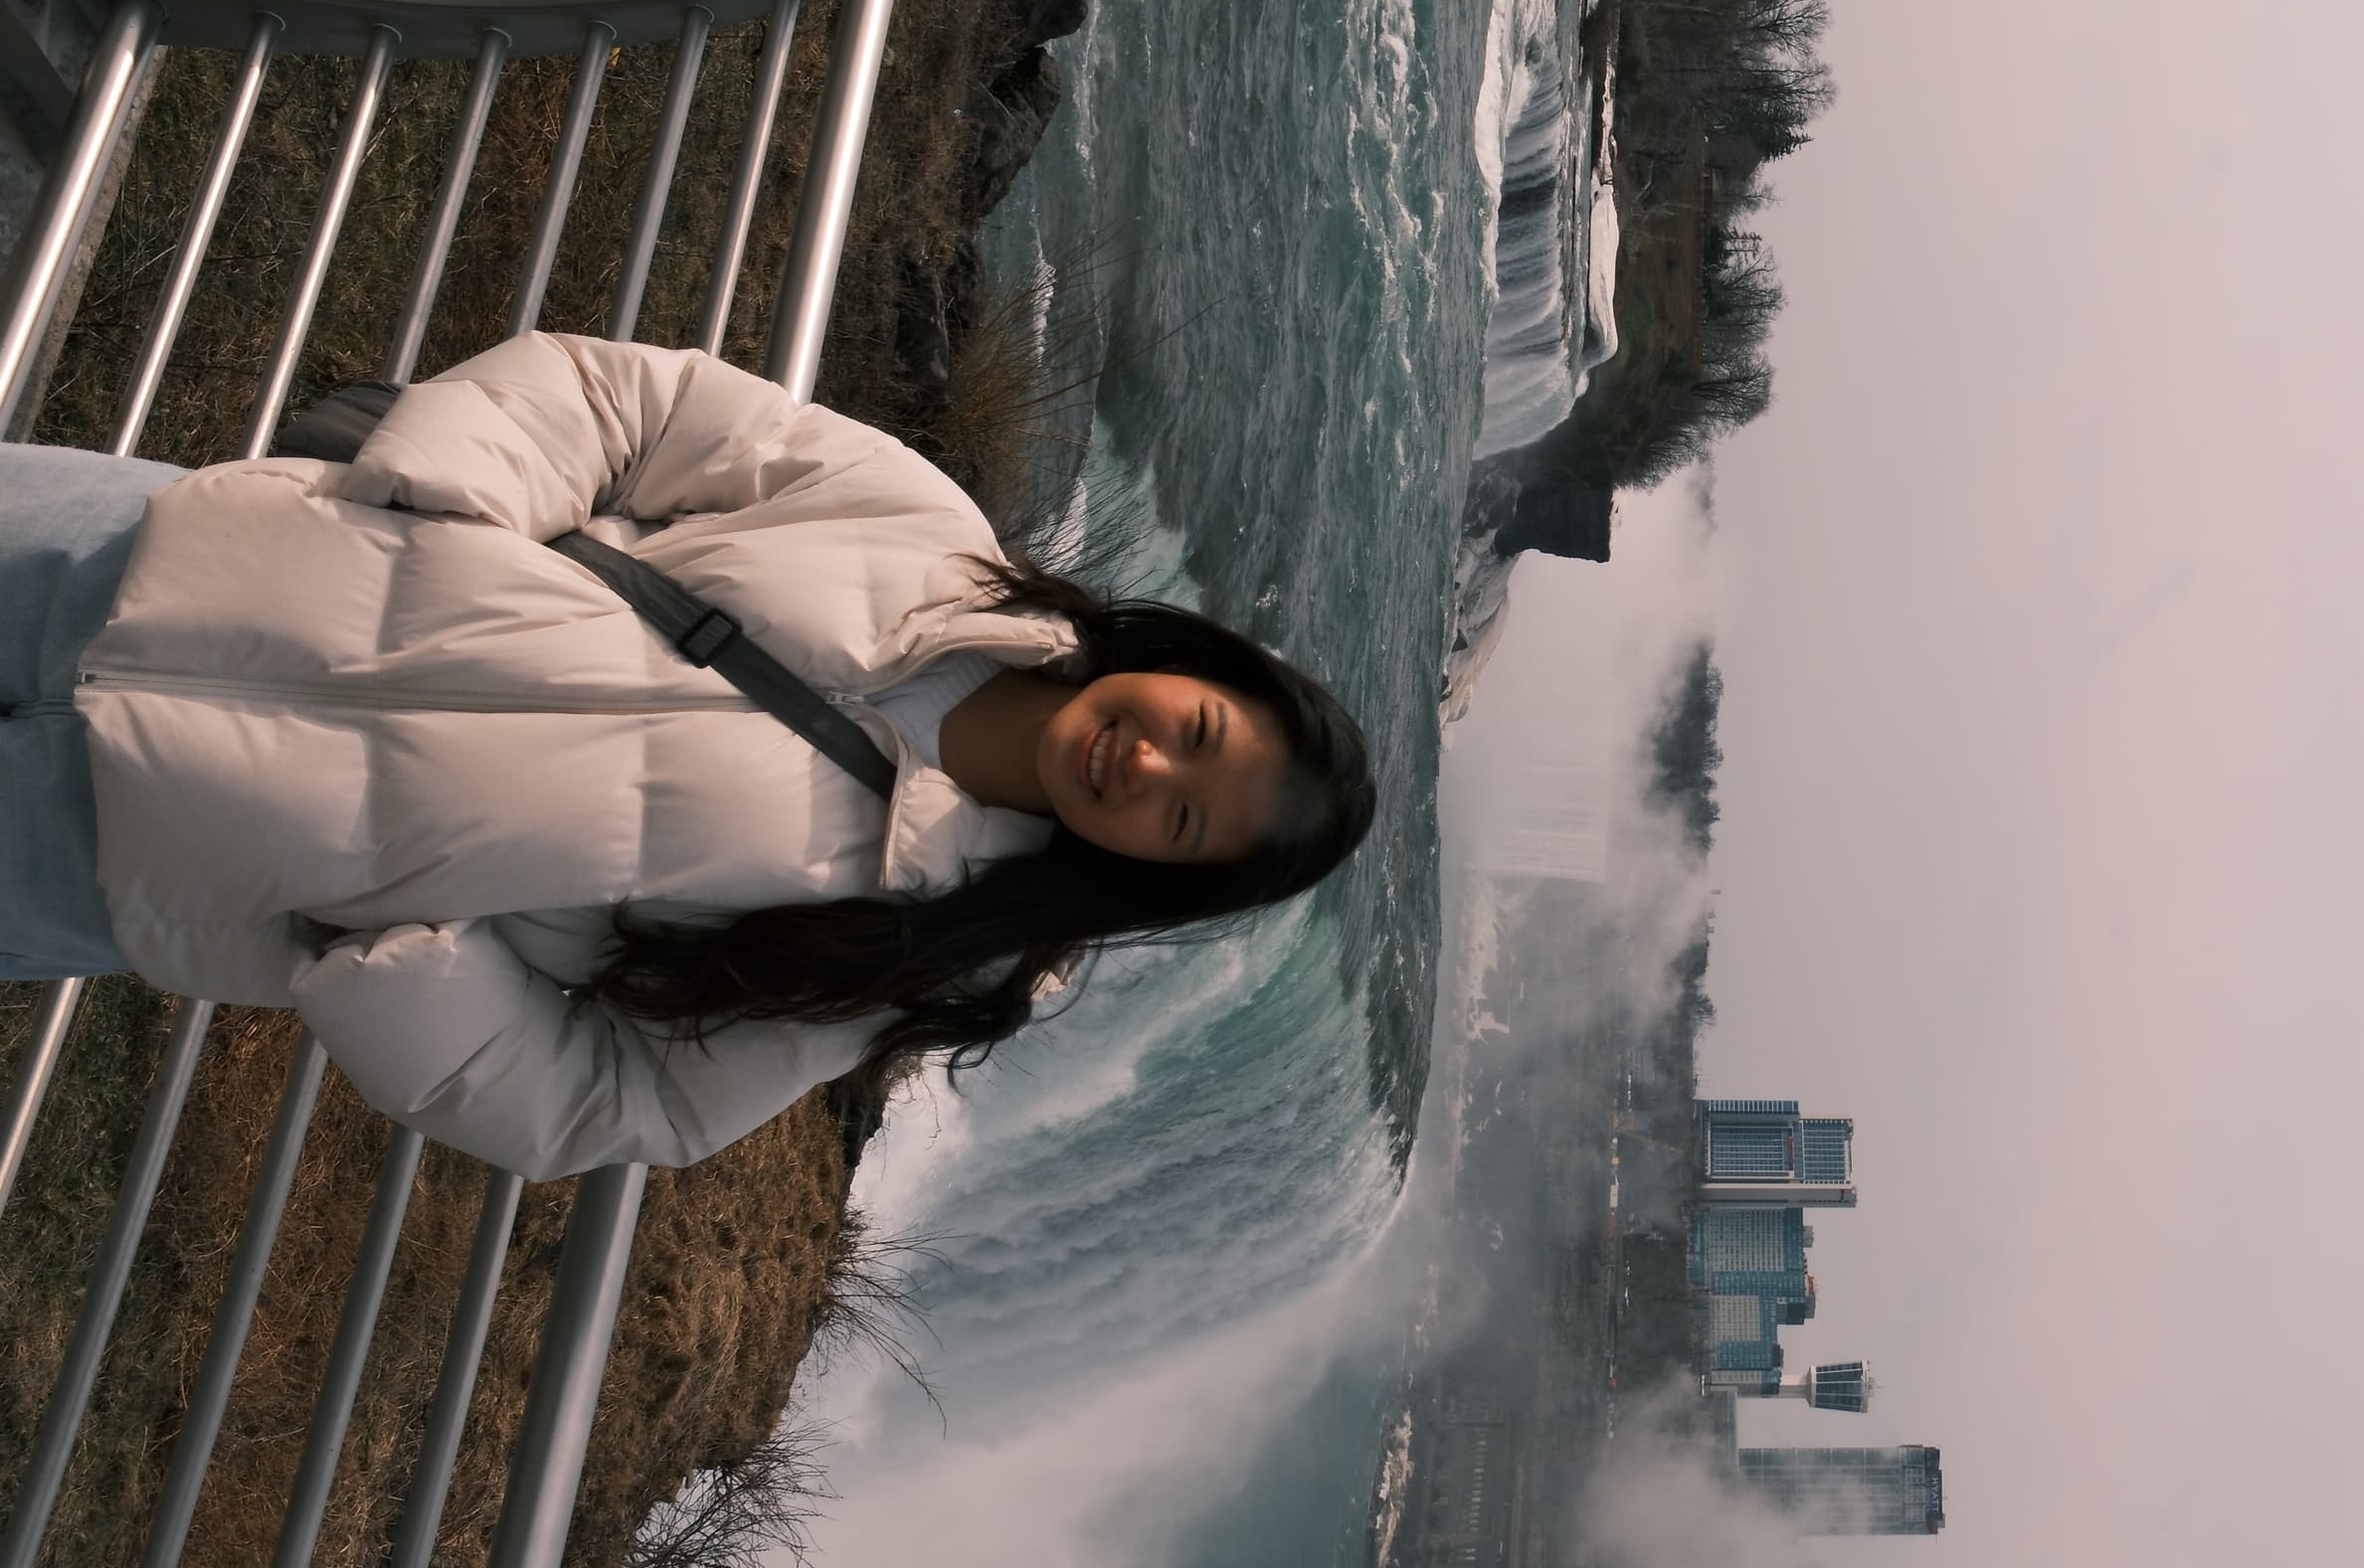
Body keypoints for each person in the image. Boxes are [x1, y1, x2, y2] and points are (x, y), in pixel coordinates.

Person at [0, 332, 1375, 1181]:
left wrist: (398, 946)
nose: (1148, 769)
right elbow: (635, 405)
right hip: (159, 561)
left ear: (1153, 874)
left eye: (1183, 821)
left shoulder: (919, 945)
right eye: (1197, 731)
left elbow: (624, 1104)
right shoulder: (929, 536)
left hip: (140, 855)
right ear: (1191, 668)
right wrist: (438, 505)